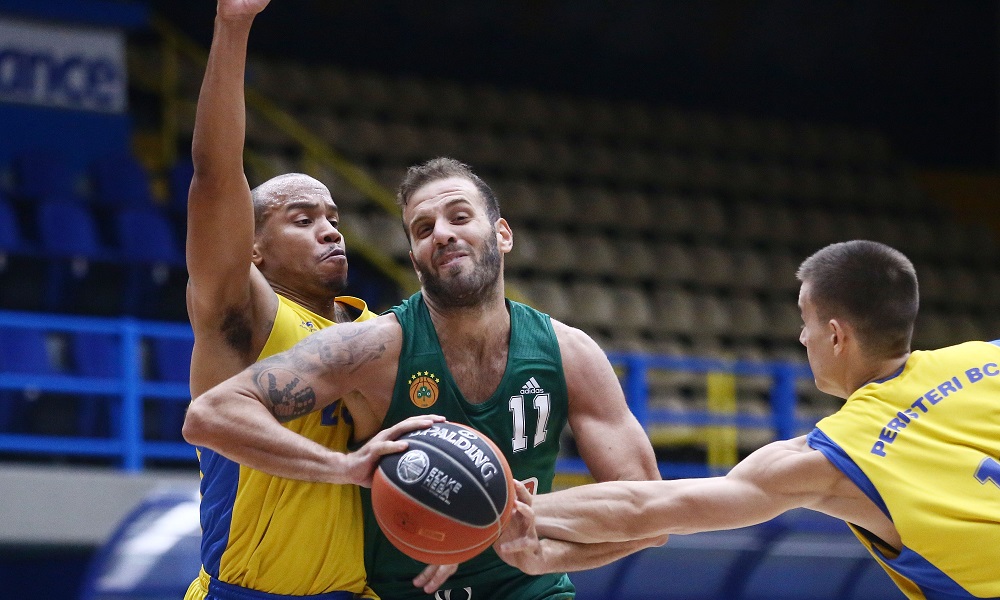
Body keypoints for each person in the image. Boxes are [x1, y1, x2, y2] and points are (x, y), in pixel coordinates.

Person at [183, 157, 665, 599]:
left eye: (460, 217)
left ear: (502, 234)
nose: (443, 234)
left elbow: (650, 514)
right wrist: (344, 467)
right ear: (415, 258)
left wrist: (547, 557)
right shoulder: (368, 347)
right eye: (423, 228)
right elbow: (212, 414)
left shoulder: (569, 352)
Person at [494, 240, 1000, 599]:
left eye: (805, 322)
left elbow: (650, 504)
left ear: (836, 335)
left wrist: (501, 510)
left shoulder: (831, 458)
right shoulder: (988, 358)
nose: (802, 338)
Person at [181, 1, 441, 598]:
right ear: (252, 247)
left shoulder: (380, 331)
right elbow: (215, 176)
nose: (330, 231)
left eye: (333, 218)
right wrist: (233, 26)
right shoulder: (244, 314)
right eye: (303, 220)